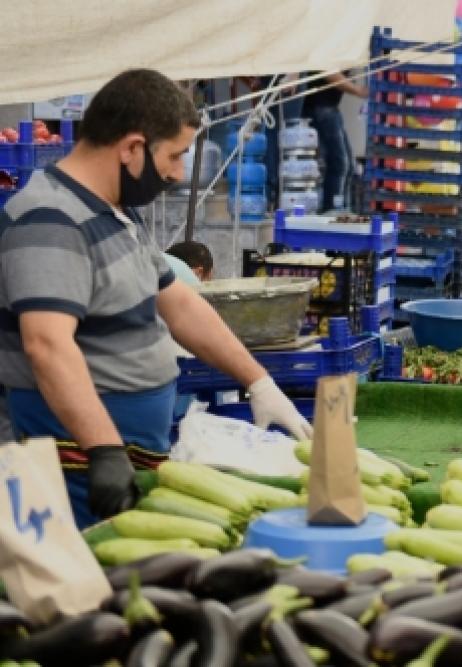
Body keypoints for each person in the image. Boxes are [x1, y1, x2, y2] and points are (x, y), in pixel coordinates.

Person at [0, 69, 313, 528]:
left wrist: (258, 380)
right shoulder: (50, 219)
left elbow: (178, 301)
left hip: (122, 451)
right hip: (78, 461)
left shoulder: (115, 211)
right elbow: (47, 346)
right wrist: (103, 448)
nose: (177, 173)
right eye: (176, 155)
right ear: (131, 148)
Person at [303, 71, 368, 213]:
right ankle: (332, 210)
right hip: (320, 105)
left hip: (329, 107)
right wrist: (357, 90)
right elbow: (328, 71)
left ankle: (341, 209)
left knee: (348, 165)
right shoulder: (333, 49)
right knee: (339, 164)